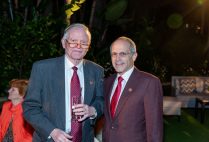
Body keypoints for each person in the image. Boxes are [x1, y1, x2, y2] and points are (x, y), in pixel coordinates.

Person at [23, 23, 104, 142]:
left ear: (88, 46)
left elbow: (101, 99)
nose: (78, 46)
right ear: (63, 43)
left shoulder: (97, 70)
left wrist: (93, 110)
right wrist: (52, 131)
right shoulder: (42, 69)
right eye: (73, 41)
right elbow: (30, 107)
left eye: (83, 42)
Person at [102, 36, 163, 142]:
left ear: (134, 56)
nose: (117, 59)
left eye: (123, 54)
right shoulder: (108, 82)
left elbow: (154, 128)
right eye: (114, 54)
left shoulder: (149, 82)